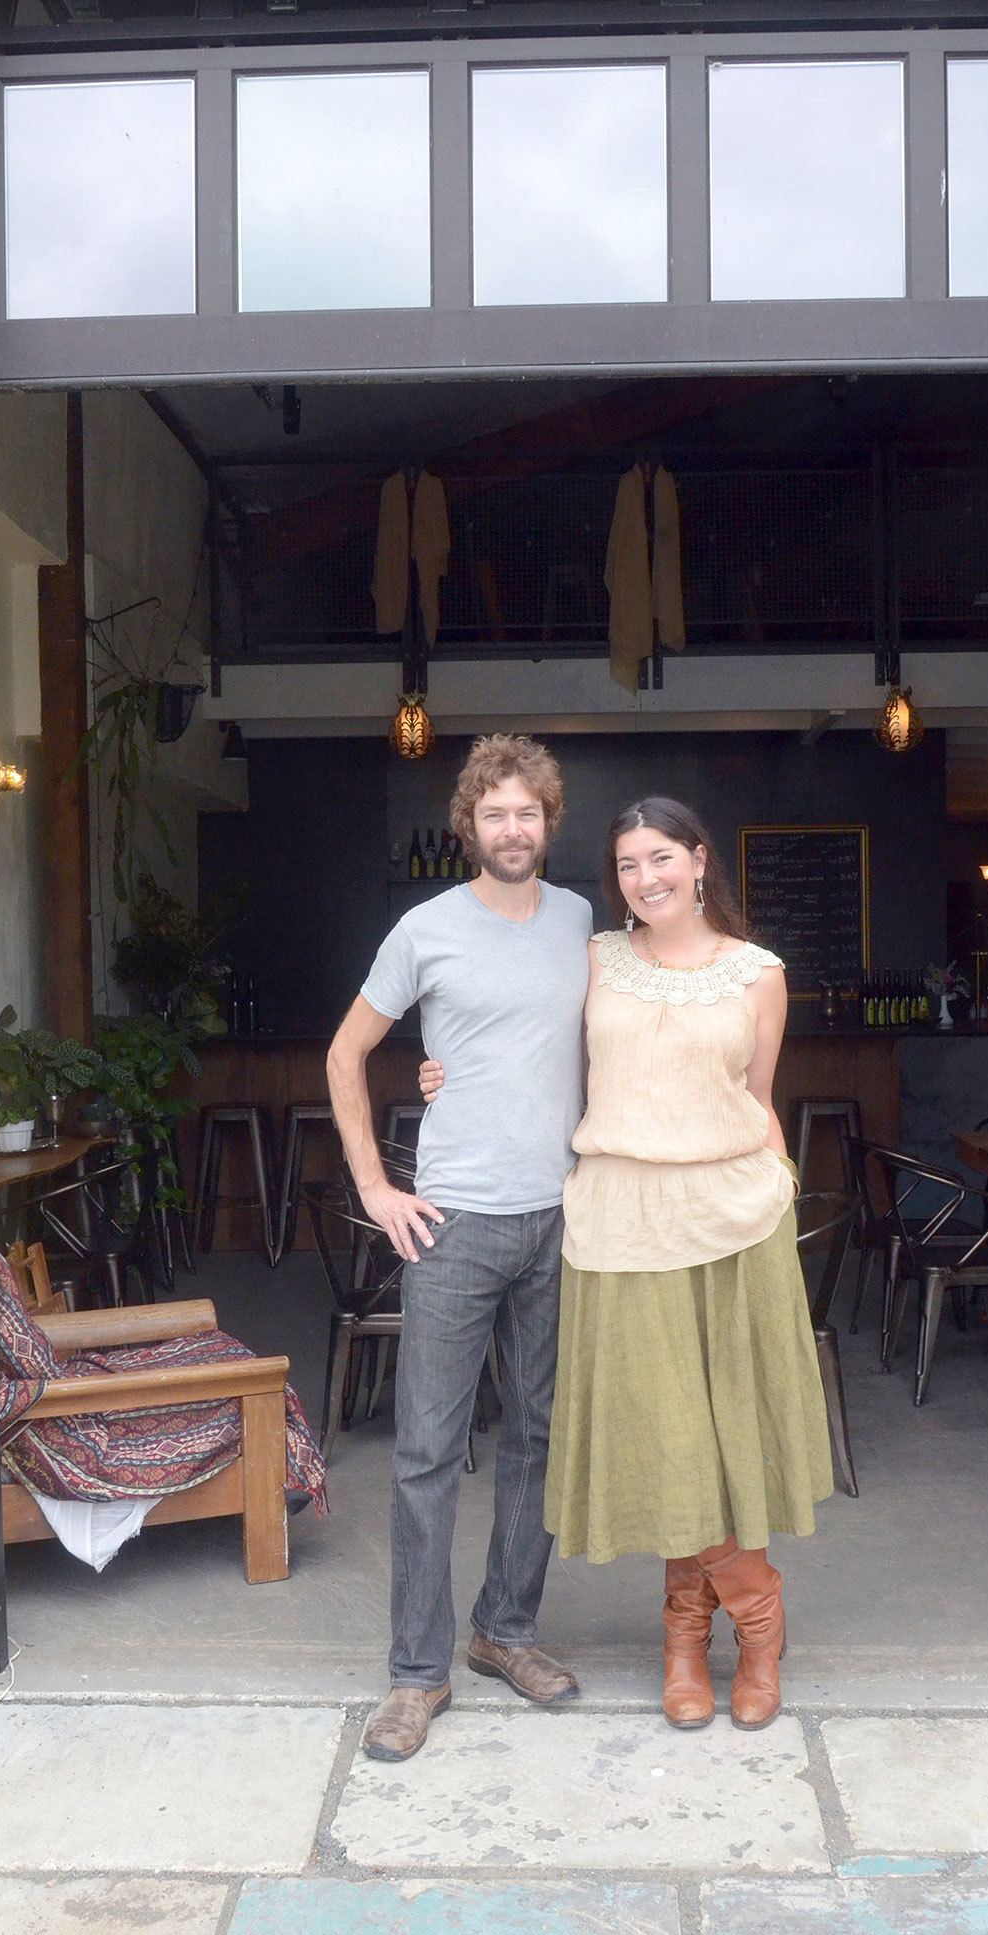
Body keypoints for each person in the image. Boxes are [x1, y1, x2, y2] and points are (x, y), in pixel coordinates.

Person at [423, 797, 834, 1732]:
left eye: (660, 858)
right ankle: (757, 1610)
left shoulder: (759, 973)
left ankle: (690, 1632)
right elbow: (518, 1035)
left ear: (699, 860)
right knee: (665, 1430)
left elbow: (759, 1096)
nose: (645, 879)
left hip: (731, 1220)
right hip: (618, 1221)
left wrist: (780, 1187)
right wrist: (440, 1067)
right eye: (626, 865)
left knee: (719, 1432)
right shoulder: (596, 957)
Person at [326, 734, 592, 1763]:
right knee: (428, 1451)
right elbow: (346, 1052)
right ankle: (415, 1672)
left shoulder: (580, 922)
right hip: (451, 1224)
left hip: (558, 1217)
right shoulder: (424, 929)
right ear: (468, 825)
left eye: (527, 812)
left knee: (539, 1435)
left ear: (547, 821)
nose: (511, 828)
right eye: (494, 813)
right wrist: (374, 1187)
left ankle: (504, 1631)